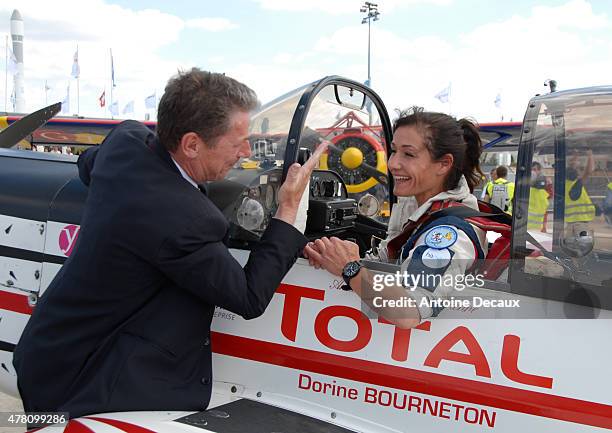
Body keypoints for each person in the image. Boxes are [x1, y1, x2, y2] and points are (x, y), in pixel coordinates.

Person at [13, 69, 327, 417]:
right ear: (191, 144)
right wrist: (288, 209)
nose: (246, 151)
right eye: (236, 142)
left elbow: (89, 165)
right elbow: (249, 297)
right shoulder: (185, 220)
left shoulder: (126, 143)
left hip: (47, 351)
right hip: (83, 380)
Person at [305, 108, 487, 328]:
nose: (392, 164)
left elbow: (407, 311)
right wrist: (334, 253)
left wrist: (349, 267)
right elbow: (390, 256)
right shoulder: (419, 205)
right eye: (393, 151)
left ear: (444, 164)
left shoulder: (448, 233)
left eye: (408, 154)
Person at [565, 149, 595, 233]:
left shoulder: (564, 184)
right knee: (582, 244)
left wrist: (575, 154)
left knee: (570, 243)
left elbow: (572, 167)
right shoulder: (576, 185)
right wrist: (590, 155)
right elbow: (589, 171)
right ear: (576, 175)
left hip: (570, 221)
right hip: (580, 222)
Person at [527, 161, 550, 231]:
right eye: (531, 170)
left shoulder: (542, 182)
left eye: (534, 170)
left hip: (536, 227)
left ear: (539, 171)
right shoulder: (526, 184)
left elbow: (548, 196)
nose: (532, 172)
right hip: (527, 225)